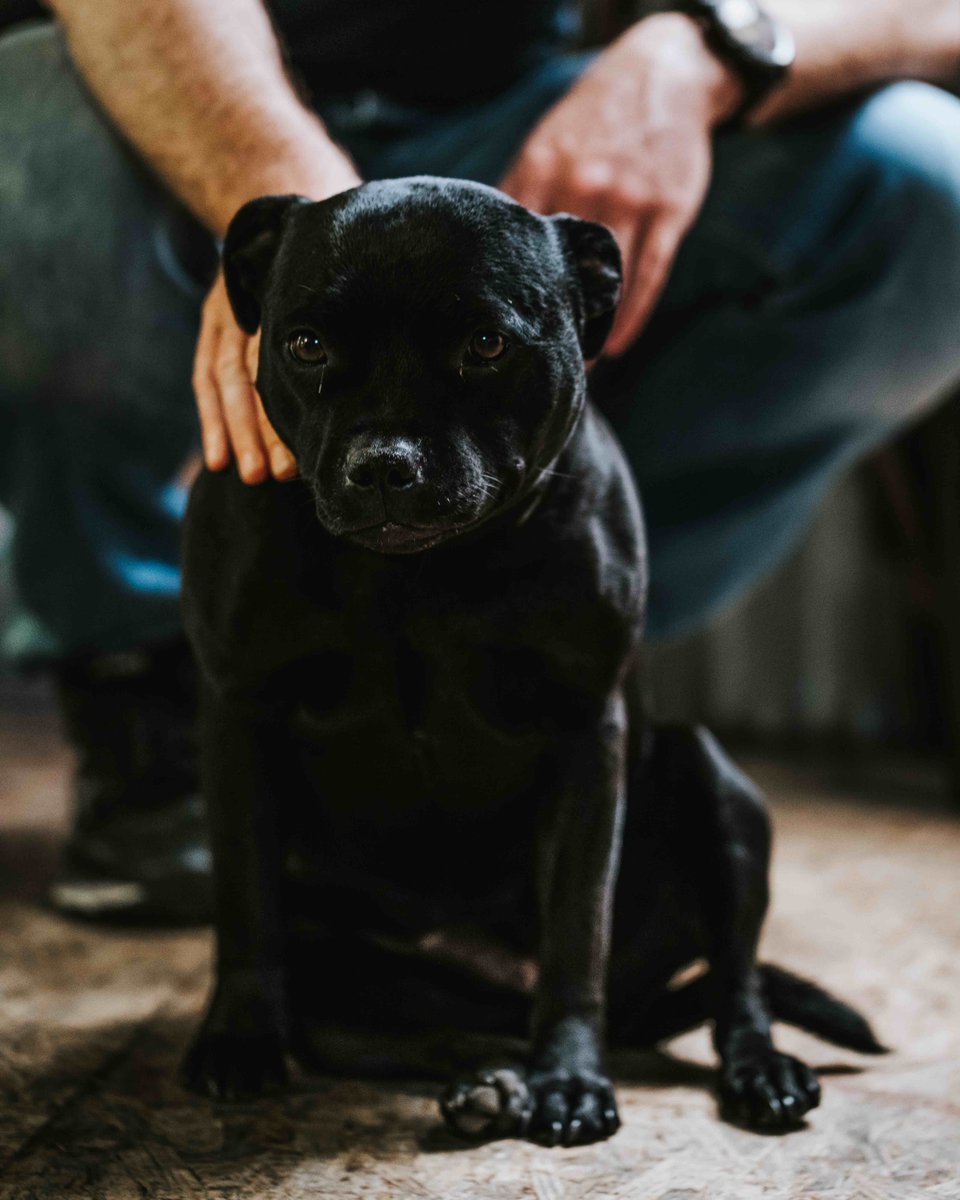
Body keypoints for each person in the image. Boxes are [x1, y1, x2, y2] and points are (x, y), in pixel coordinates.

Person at [1, 0, 958, 923]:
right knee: (26, 115)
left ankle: (536, 662)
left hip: (512, 131)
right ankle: (147, 691)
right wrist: (300, 220)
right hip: (177, 97)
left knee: (933, 181)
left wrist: (707, 53)